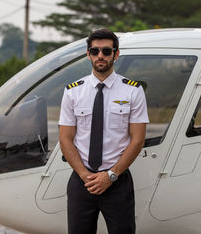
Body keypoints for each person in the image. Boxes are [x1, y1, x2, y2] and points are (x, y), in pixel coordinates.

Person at [58, 28, 149, 234]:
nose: (101, 56)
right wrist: (84, 175)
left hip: (117, 183)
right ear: (88, 54)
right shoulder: (73, 91)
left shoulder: (133, 90)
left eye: (107, 51)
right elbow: (65, 138)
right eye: (95, 51)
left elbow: (137, 140)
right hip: (82, 182)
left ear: (116, 54)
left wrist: (111, 176)